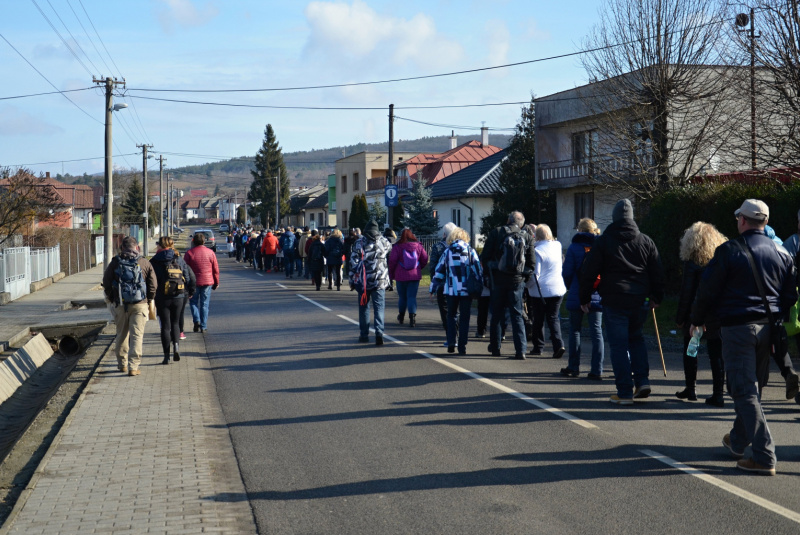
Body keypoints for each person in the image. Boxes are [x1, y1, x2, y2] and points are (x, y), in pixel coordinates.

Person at [691, 199, 796, 476]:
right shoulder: (783, 252)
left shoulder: (729, 251)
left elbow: (708, 290)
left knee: (743, 389)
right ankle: (738, 441)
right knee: (753, 387)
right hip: (769, 328)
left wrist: (697, 320)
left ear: (743, 221)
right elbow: (790, 294)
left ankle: (763, 455)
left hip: (738, 327)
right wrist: (776, 316)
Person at [579, 199, 664, 405]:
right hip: (639, 299)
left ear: (615, 218)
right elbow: (657, 272)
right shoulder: (645, 241)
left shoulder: (604, 241)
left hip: (614, 298)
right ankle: (642, 380)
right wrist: (656, 297)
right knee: (636, 339)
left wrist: (585, 297)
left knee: (618, 345)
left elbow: (589, 271)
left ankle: (625, 391)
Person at [674, 222, 728, 406]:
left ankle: (691, 388)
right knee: (716, 354)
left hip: (696, 313)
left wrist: (681, 318)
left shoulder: (692, 263)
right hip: (717, 313)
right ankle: (718, 393)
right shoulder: (720, 260)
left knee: (691, 350)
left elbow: (687, 293)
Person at [480, 211, 535, 360]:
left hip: (498, 279)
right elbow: (531, 263)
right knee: (517, 315)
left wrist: (490, 272)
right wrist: (523, 278)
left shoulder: (496, 232)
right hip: (517, 281)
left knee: (497, 314)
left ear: (508, 220)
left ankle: (496, 348)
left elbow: (485, 257)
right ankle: (521, 350)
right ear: (522, 223)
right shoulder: (527, 236)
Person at [102, 236, 157, 377]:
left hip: (120, 304)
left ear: (122, 248)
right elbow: (153, 285)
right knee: (137, 335)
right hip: (140, 304)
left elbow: (106, 282)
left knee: (121, 334)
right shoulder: (144, 262)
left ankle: (122, 364)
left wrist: (112, 297)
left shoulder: (115, 262)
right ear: (136, 247)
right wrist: (149, 298)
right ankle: (134, 366)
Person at [561, 218, 604, 379]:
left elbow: (566, 272)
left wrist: (571, 286)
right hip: (597, 293)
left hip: (577, 293)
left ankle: (573, 367)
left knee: (575, 331)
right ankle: (597, 369)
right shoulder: (600, 246)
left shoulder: (574, 247)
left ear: (579, 230)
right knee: (597, 332)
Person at [430, 227, 482, 354]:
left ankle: (451, 341)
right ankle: (462, 346)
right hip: (466, 291)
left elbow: (439, 271)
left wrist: (433, 288)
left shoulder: (447, 252)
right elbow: (478, 271)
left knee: (451, 316)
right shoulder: (470, 251)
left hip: (451, 290)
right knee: (465, 318)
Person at [150, 236, 196, 365]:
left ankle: (166, 356)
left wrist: (151, 295)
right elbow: (187, 276)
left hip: (162, 297)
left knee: (165, 326)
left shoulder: (154, 260)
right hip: (179, 295)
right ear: (171, 245)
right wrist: (190, 291)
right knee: (175, 323)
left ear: (160, 246)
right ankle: (176, 345)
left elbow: (151, 280)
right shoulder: (178, 259)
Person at [527, 224, 567, 358]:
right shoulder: (557, 246)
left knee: (538, 319)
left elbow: (535, 274)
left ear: (536, 236)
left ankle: (538, 346)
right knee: (553, 318)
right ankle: (558, 344)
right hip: (557, 288)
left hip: (541, 291)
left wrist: (527, 285)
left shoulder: (537, 251)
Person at [349, 220, 391, 345]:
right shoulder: (384, 242)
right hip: (380, 280)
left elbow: (353, 262)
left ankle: (364, 334)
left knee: (364, 308)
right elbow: (389, 249)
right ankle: (379, 332)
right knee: (379, 308)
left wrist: (352, 279)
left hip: (364, 282)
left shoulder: (359, 242)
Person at [389, 228, 429, 327]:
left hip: (400, 275)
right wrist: (419, 268)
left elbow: (392, 261)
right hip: (414, 276)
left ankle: (401, 316)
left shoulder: (397, 247)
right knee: (412, 297)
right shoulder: (418, 246)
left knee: (402, 297)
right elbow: (425, 259)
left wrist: (391, 274)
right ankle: (412, 318)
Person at [184, 232, 220, 333]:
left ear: (193, 241)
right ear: (204, 241)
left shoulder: (189, 253)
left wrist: (186, 283)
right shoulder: (210, 252)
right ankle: (203, 326)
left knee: (193, 302)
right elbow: (215, 269)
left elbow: (184, 269)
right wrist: (216, 282)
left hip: (193, 282)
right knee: (204, 304)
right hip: (207, 282)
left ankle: (196, 320)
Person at [430, 222, 457, 331]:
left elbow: (433, 267)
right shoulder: (462, 246)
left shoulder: (437, 247)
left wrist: (433, 285)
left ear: (444, 234)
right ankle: (456, 330)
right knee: (456, 309)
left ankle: (449, 333)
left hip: (442, 283)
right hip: (457, 283)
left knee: (445, 309)